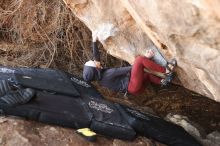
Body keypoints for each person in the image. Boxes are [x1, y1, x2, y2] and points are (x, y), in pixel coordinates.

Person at [83, 36, 176, 96]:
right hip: (132, 85)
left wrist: (94, 40)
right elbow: (132, 68)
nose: (95, 61)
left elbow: (96, 58)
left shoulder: (101, 77)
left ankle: (163, 81)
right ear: (96, 69)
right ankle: (166, 70)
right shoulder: (108, 74)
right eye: (94, 63)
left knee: (146, 75)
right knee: (139, 60)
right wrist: (146, 57)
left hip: (134, 91)